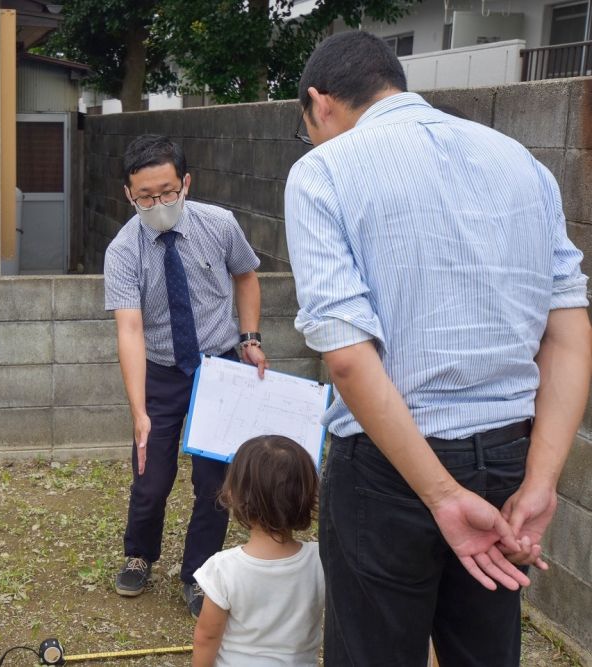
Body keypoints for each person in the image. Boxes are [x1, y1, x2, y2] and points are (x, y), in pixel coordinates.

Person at [285, 31, 591, 666]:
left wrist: (443, 496)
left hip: (387, 471)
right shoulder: (522, 162)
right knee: (485, 650)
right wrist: (542, 480)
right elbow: (567, 330)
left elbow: (346, 355)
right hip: (511, 461)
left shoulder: (322, 171)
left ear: (320, 103)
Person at [104, 134, 267, 618]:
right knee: (151, 476)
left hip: (219, 366)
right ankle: (140, 552)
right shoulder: (124, 249)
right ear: (128, 195)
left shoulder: (220, 225)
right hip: (160, 371)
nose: (158, 204)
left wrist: (251, 338)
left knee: (215, 482)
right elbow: (129, 328)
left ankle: (199, 574)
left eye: (168, 191)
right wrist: (139, 411)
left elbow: (246, 275)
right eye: (146, 197)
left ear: (186, 183)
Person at [191, 436, 324, 667]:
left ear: (233, 494)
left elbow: (207, 636)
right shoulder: (320, 560)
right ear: (307, 495)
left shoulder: (222, 568)